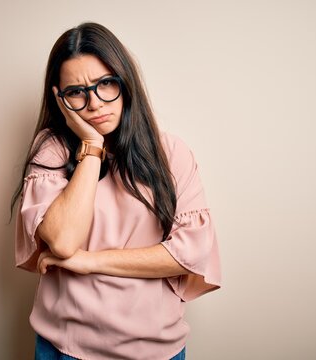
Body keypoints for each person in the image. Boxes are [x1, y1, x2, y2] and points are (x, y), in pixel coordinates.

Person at [11, 22, 221, 360]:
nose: (94, 103)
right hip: (67, 348)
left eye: (105, 84)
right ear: (59, 99)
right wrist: (92, 147)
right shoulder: (51, 150)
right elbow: (63, 241)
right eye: (76, 92)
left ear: (125, 83)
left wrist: (89, 262)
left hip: (156, 350)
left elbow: (188, 254)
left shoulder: (171, 153)